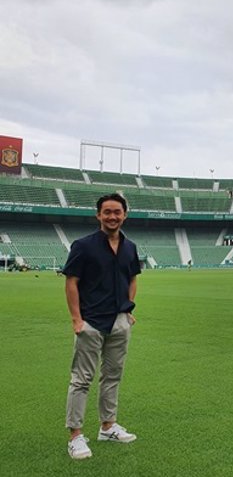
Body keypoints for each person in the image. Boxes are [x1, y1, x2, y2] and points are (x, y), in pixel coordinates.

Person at [63, 193, 142, 460]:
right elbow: (71, 281)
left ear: (124, 215)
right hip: (91, 322)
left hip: (119, 321)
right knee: (81, 380)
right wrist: (77, 319)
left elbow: (132, 278)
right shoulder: (83, 246)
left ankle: (107, 426)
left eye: (117, 212)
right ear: (98, 215)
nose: (112, 216)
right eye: (107, 212)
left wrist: (128, 309)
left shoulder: (130, 247)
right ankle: (75, 436)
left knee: (112, 377)